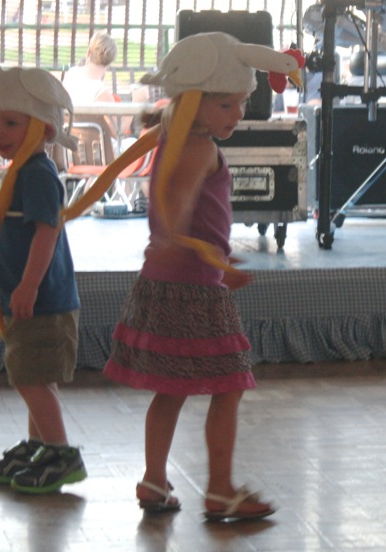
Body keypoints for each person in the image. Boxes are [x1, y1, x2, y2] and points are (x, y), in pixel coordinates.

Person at [98, 32, 301, 519]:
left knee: (173, 388)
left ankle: (154, 480)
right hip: (192, 288)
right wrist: (216, 263)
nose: (236, 115)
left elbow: (172, 220)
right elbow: (175, 217)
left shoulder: (177, 137)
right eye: (227, 105)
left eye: (241, 104)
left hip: (165, 283)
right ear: (194, 102)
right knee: (229, 385)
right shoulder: (198, 148)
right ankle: (220, 488)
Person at [0, 33, 87, 495]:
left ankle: (61, 454)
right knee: (33, 374)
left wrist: (26, 285)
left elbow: (48, 233)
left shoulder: (39, 175)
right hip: (28, 298)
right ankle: (38, 447)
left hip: (42, 299)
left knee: (29, 377)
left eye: (10, 123)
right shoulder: (22, 172)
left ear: (43, 128)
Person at [62, 31, 118, 103]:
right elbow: (115, 113)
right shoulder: (102, 93)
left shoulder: (70, 74)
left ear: (89, 53)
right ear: (109, 63)